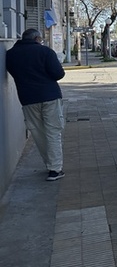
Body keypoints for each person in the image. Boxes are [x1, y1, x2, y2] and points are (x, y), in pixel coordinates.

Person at [6, 28, 66, 181]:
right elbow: (58, 74)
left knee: (38, 133)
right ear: (37, 38)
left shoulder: (11, 54)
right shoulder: (45, 52)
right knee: (53, 131)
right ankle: (55, 169)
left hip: (27, 99)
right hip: (50, 96)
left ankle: (50, 164)